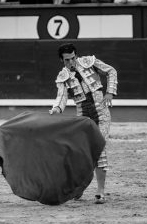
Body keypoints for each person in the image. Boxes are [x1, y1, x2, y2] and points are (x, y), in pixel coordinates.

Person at [49, 43, 118, 204]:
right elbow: (61, 97)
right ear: (62, 60)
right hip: (83, 119)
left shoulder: (89, 62)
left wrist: (109, 93)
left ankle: (100, 192)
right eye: (67, 60)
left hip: (101, 115)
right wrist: (56, 109)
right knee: (80, 154)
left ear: (76, 55)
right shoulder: (63, 77)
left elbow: (111, 71)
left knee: (99, 150)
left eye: (73, 58)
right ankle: (79, 187)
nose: (71, 62)